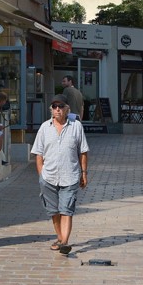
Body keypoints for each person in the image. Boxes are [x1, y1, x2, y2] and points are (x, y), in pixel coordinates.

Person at [31, 93, 88, 255]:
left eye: (61, 106)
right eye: (54, 106)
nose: (57, 109)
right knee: (54, 211)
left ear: (67, 109)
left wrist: (84, 173)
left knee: (66, 210)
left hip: (70, 176)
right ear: (51, 109)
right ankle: (60, 237)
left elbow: (83, 151)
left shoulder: (76, 126)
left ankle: (64, 242)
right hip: (48, 177)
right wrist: (41, 175)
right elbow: (38, 154)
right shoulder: (44, 127)